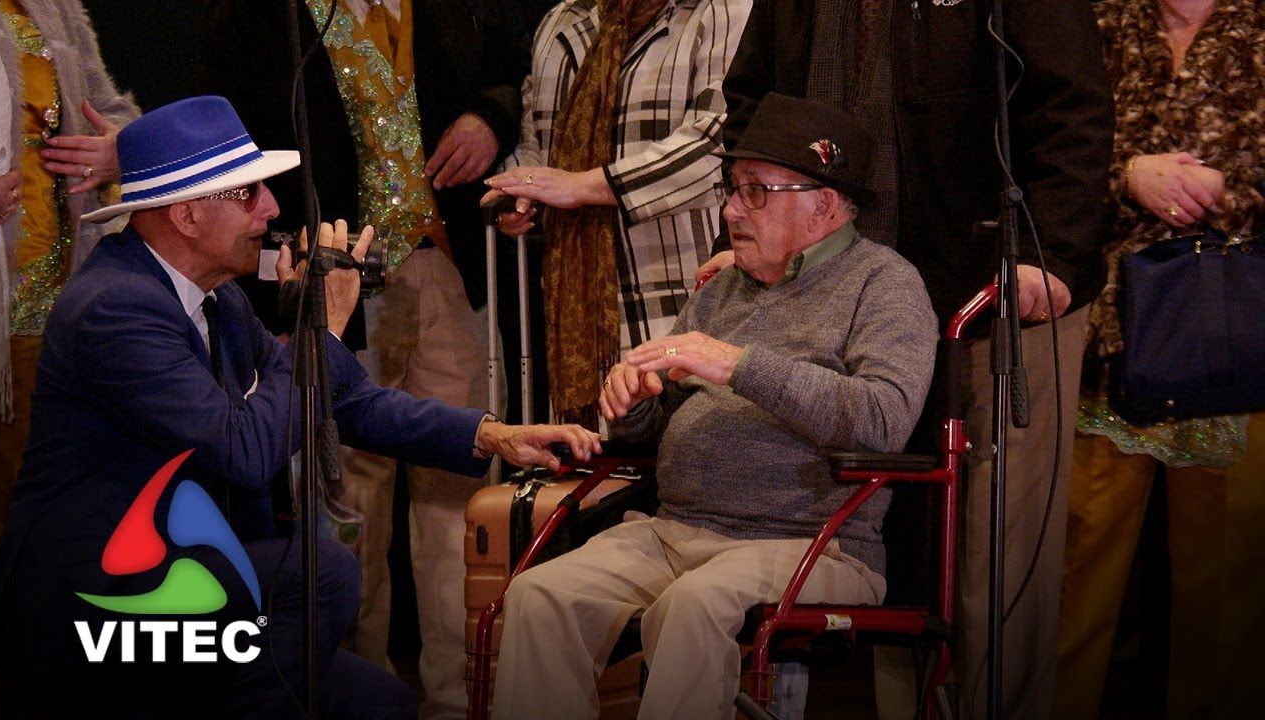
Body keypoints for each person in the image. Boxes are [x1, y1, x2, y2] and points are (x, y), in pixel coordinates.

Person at [0, 96, 600, 718]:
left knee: (382, 701)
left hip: (183, 579)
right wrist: (321, 332)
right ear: (187, 214)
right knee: (321, 573)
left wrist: (494, 436)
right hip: (94, 599)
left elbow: (348, 399)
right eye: (249, 193)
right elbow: (244, 451)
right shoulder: (114, 307)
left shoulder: (218, 301)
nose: (273, 209)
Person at [717, 2, 1115, 717]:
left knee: (993, 550)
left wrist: (1049, 253)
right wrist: (759, 220)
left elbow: (1072, 108)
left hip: (994, 286)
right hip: (842, 289)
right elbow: (755, 104)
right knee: (887, 536)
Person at [490, 93, 938, 720]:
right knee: (541, 595)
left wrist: (738, 365)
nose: (730, 209)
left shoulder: (884, 284)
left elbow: (884, 418)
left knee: (694, 606)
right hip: (675, 529)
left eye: (755, 191)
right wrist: (634, 403)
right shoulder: (724, 289)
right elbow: (664, 418)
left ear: (824, 206)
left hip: (813, 544)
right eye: (734, 189)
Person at [202, 2, 531, 714]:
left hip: (445, 266)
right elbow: (241, 141)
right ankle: (356, 689)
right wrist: (277, 303)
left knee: (459, 491)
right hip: (333, 274)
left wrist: (489, 120)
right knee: (347, 497)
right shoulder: (271, 18)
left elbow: (513, 75)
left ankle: (459, 696)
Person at [1055, 2, 1265, 718]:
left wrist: (1231, 193)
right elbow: (1043, 143)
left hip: (1237, 336)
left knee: (1228, 587)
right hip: (1108, 333)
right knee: (1076, 574)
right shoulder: (1097, 20)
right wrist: (1128, 174)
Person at [481, 0, 752, 423]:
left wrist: (581, 186)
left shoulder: (717, 10)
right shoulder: (561, 20)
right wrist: (517, 192)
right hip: (575, 299)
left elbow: (716, 144)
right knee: (584, 462)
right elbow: (533, 140)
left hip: (674, 285)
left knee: (677, 445)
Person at [0, 0, 138, 606]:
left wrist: (118, 150)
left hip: (64, 306)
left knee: (56, 506)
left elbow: (116, 112)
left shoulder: (55, 8)